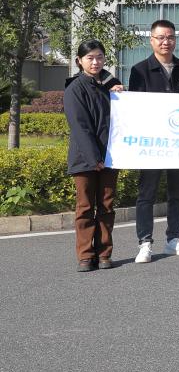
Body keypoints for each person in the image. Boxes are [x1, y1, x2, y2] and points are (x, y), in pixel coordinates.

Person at [128, 19, 179, 263]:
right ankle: (145, 243)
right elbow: (134, 106)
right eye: (160, 37)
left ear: (175, 40)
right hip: (152, 143)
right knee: (146, 194)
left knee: (177, 192)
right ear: (151, 40)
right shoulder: (139, 70)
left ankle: (174, 239)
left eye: (170, 37)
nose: (165, 42)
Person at [63, 40, 123, 272]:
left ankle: (104, 253)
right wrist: (93, 158)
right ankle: (86, 256)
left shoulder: (111, 86)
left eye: (99, 57)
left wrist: (121, 95)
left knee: (107, 206)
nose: (95, 62)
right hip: (84, 159)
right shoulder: (75, 88)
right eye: (90, 58)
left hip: (110, 156)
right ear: (79, 61)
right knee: (85, 207)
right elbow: (80, 126)